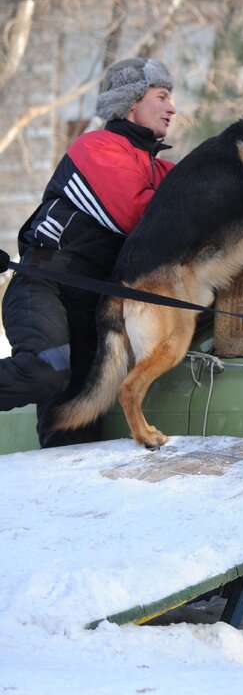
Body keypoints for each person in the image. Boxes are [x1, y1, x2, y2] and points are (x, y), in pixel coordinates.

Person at [0, 57, 177, 447]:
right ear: (131, 102)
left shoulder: (156, 168)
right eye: (161, 96)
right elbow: (137, 214)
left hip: (92, 308)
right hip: (45, 285)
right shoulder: (96, 148)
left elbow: (202, 195)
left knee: (72, 435)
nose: (172, 107)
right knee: (45, 370)